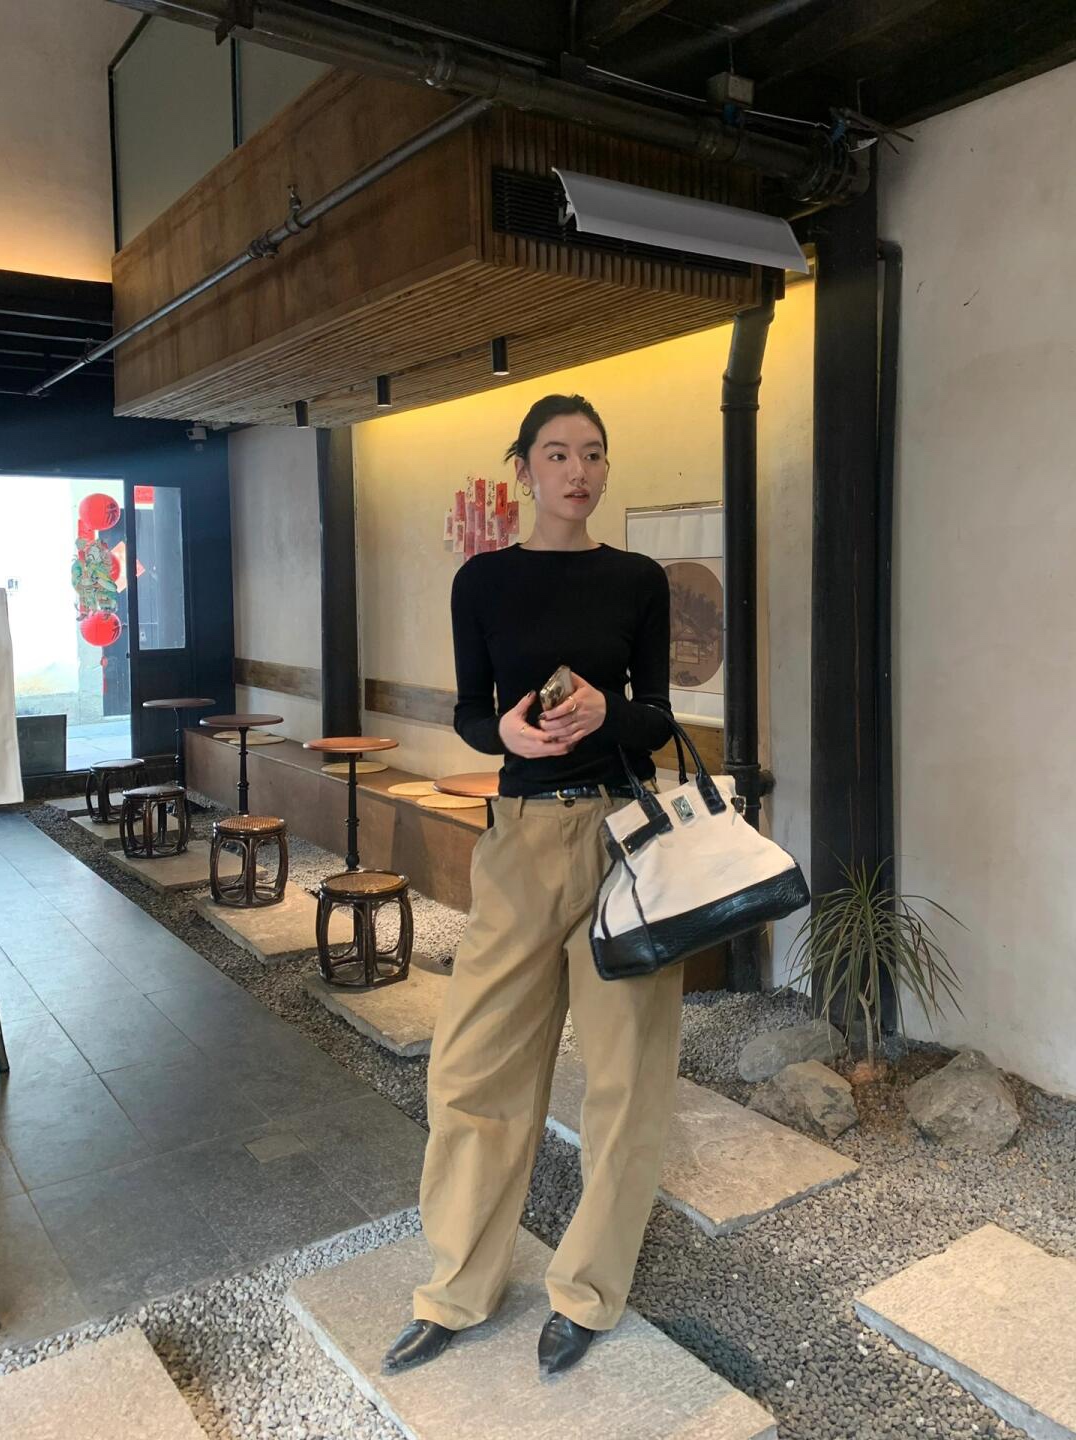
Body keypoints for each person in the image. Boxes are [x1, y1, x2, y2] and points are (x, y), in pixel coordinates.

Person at [382, 393, 684, 1380]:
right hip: (517, 840)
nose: (578, 471)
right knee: (473, 1069)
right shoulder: (483, 582)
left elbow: (657, 718)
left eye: (593, 453)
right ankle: (457, 1288)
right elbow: (473, 714)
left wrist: (606, 713)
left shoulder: (638, 580)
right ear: (525, 469)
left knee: (626, 1077)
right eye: (557, 453)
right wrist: (505, 733)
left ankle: (588, 1292)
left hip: (622, 839)